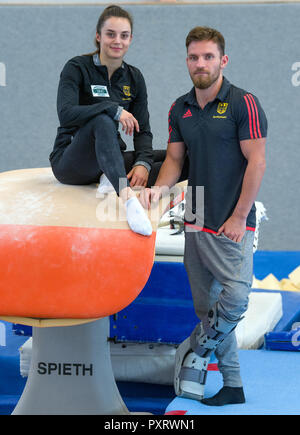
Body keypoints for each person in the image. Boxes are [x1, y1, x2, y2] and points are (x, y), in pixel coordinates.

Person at [140, 26, 267, 406]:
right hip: (195, 217)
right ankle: (232, 383)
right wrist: (158, 195)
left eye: (208, 57)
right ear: (187, 61)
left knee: (236, 299)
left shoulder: (243, 103)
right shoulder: (180, 108)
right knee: (204, 307)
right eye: (194, 57)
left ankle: (195, 349)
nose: (201, 63)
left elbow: (257, 162)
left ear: (222, 60)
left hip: (231, 221)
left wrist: (239, 216)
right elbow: (175, 162)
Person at [49, 5, 155, 236]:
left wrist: (143, 163)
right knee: (102, 120)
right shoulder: (77, 68)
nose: (117, 41)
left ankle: (113, 175)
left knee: (174, 158)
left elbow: (142, 130)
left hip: (108, 159)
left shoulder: (134, 77)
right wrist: (113, 109)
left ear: (130, 39)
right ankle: (127, 199)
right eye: (110, 34)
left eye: (124, 35)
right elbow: (66, 114)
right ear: (98, 36)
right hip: (71, 162)